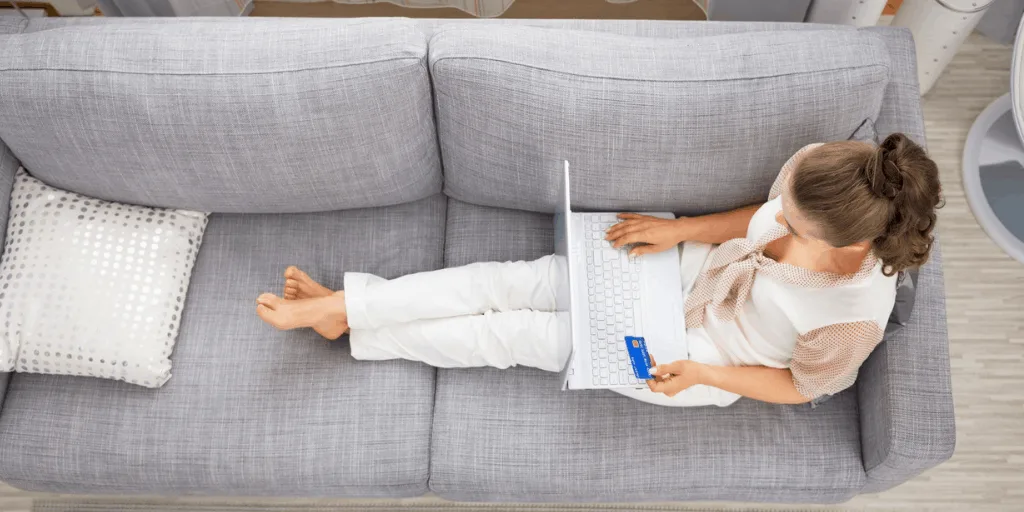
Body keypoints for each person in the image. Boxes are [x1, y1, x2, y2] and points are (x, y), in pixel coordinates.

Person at [254, 133, 942, 407]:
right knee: (514, 281)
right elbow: (754, 219)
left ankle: (351, 321)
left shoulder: (852, 318)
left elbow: (798, 387)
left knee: (523, 336)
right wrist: (680, 230)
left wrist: (701, 372)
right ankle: (349, 310)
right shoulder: (823, 169)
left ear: (851, 243)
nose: (777, 217)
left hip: (712, 353)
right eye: (784, 204)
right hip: (700, 271)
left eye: (791, 225)